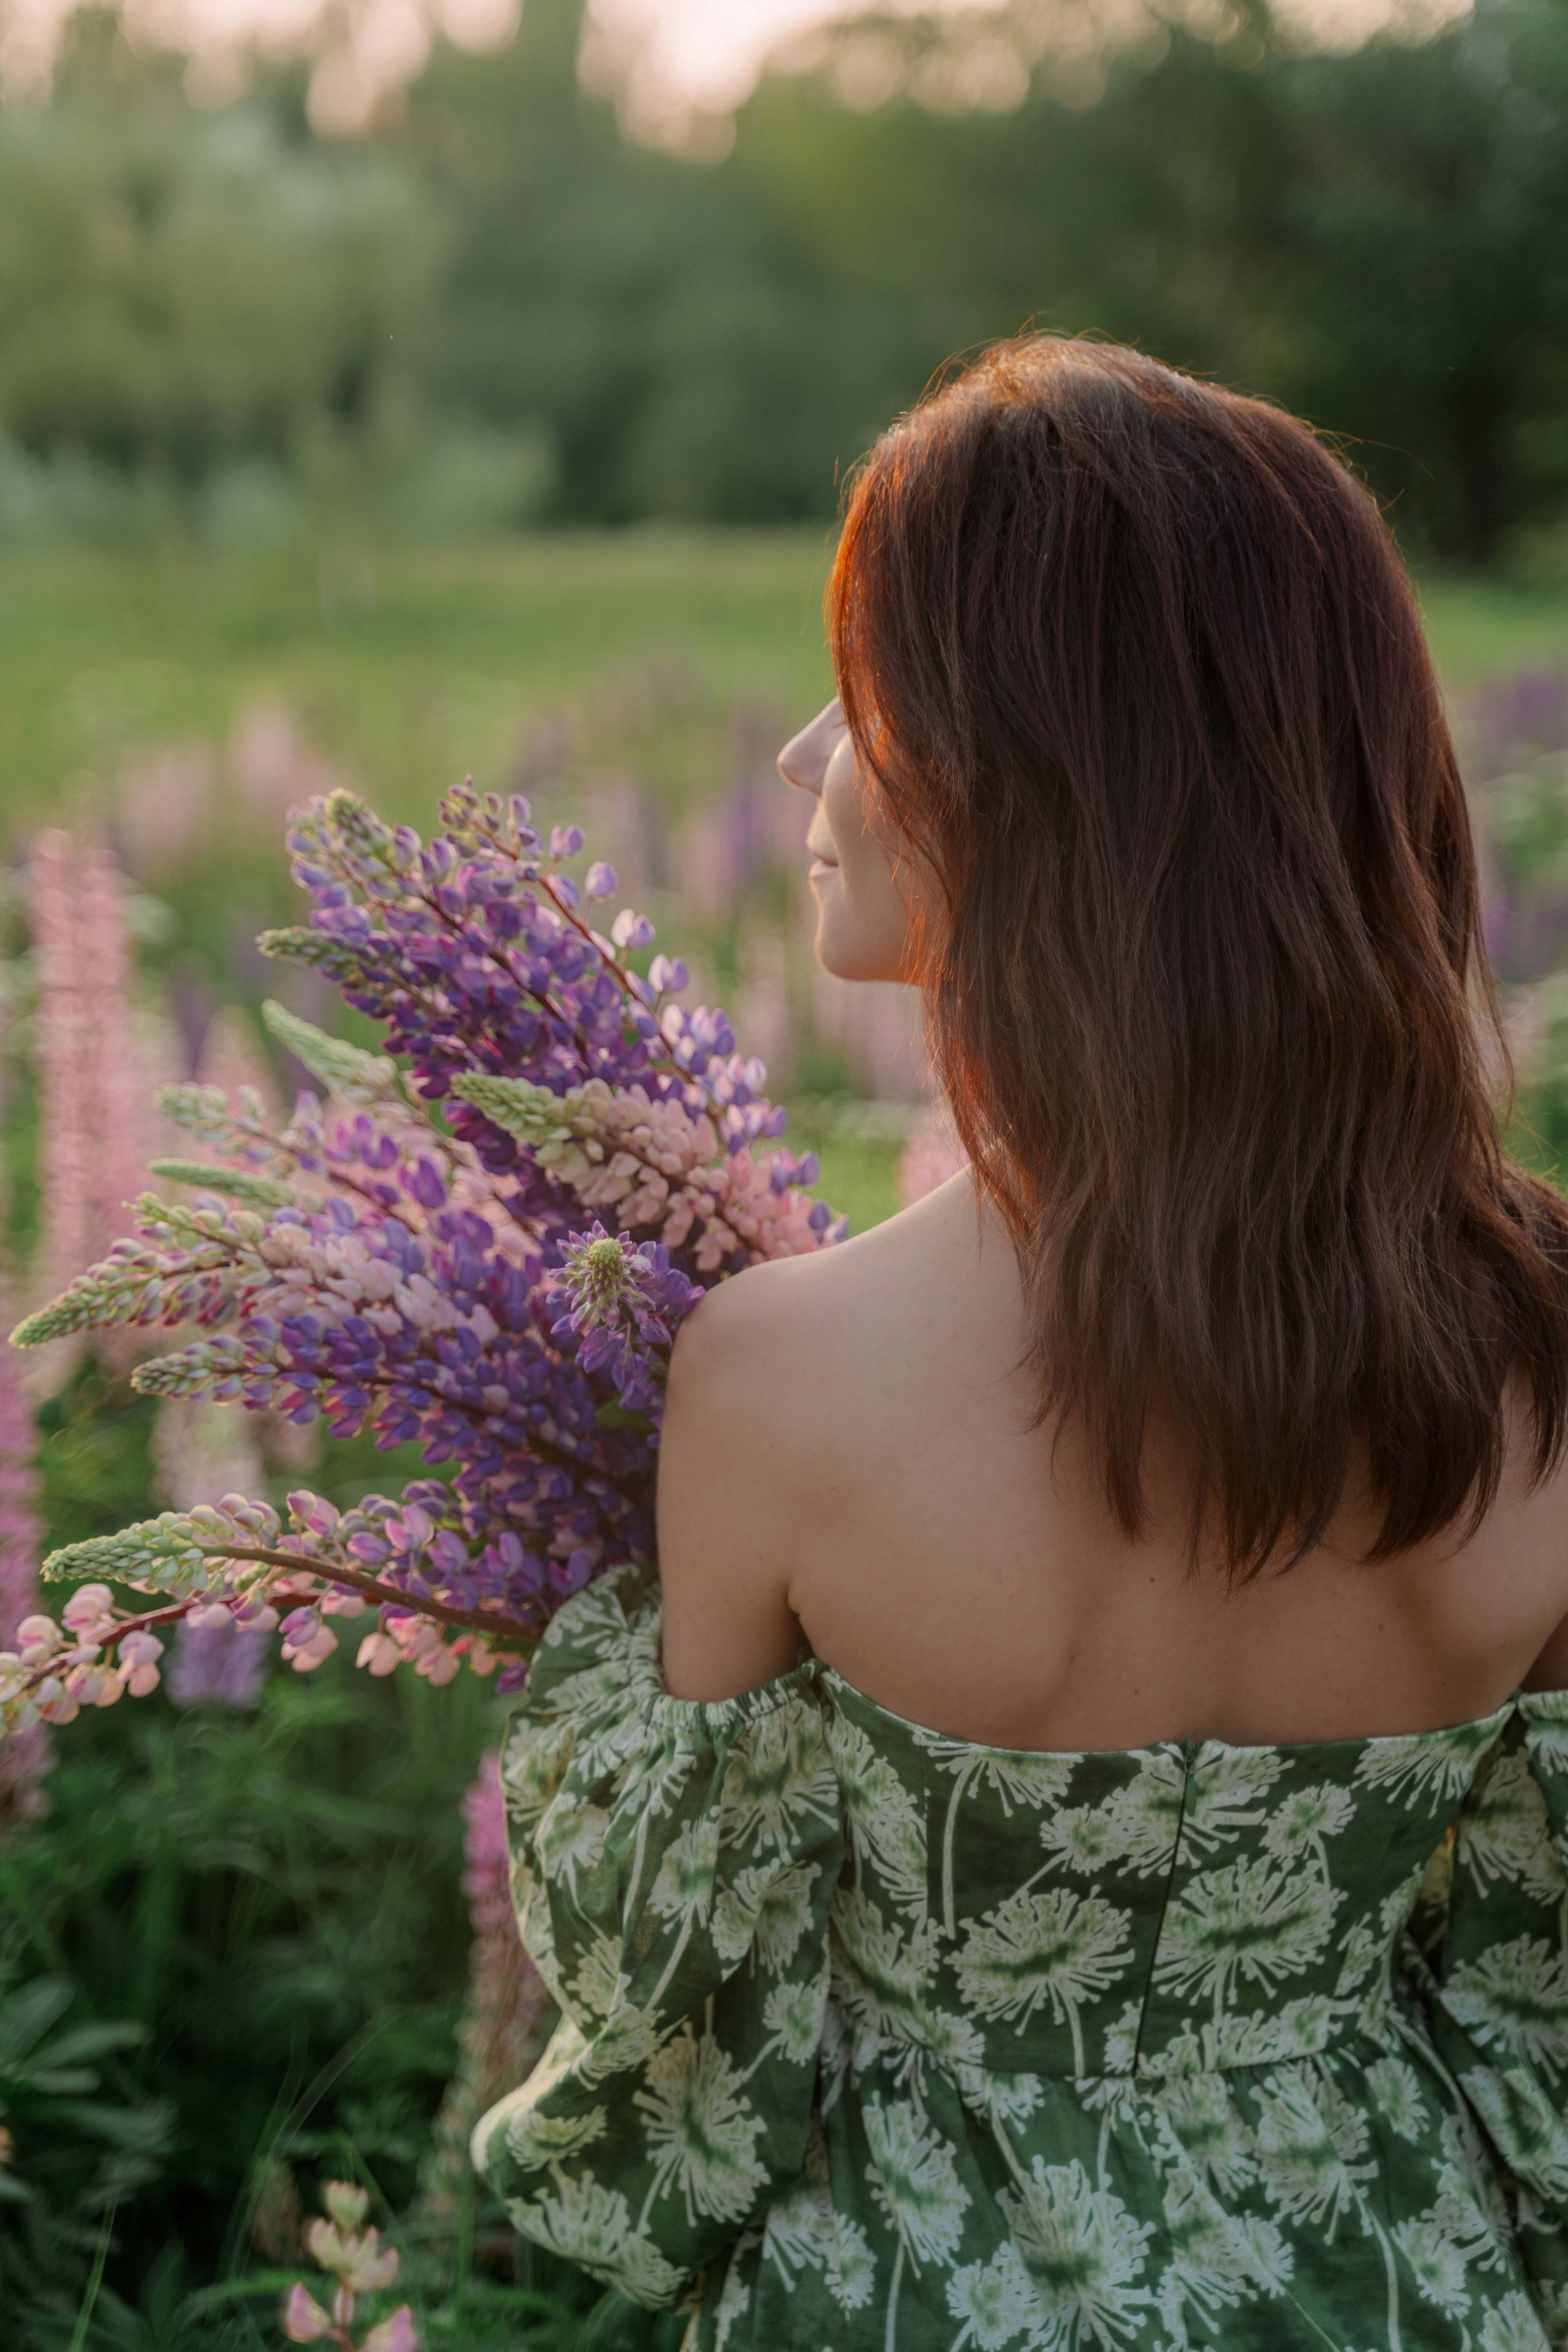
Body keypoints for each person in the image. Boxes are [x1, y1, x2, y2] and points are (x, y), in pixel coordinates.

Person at [473, 337, 1568, 2350]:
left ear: (1047, 777)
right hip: (1401, 2285)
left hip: (906, 2295)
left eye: (874, 692)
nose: (808, 756)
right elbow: (1538, 1981)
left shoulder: (783, 1378)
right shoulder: (1546, 1353)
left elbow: (694, 2051)